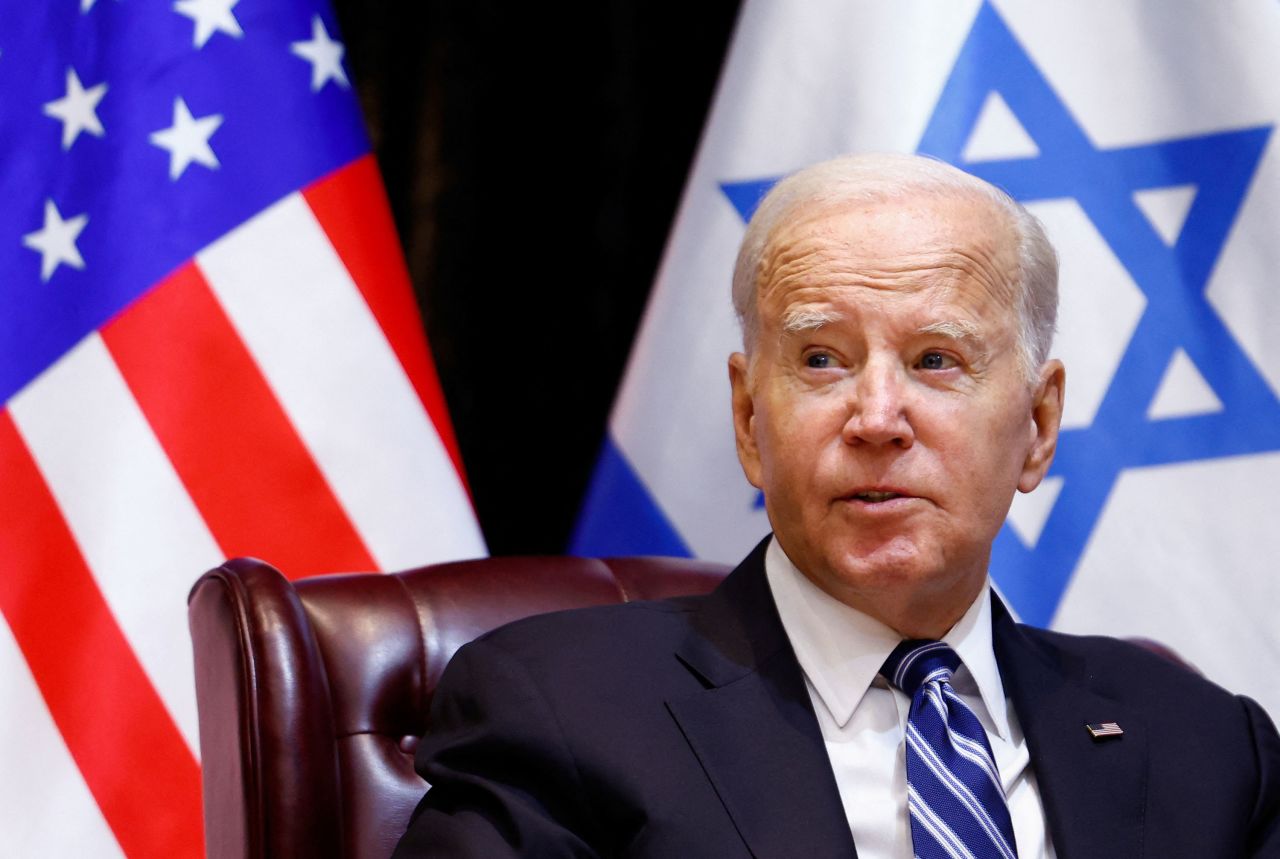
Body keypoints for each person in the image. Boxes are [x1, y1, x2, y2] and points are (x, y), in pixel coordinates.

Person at [393, 153, 1280, 858]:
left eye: (936, 360)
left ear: (1039, 427)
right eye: (822, 358)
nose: (877, 417)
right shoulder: (562, 708)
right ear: (749, 419)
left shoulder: (1203, 743)